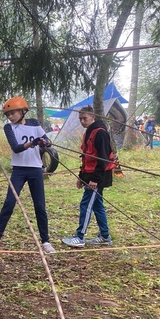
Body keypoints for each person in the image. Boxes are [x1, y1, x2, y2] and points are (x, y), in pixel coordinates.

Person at [0, 97, 55, 254]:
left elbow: (48, 140)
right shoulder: (9, 128)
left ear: (23, 111)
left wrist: (44, 142)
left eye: (13, 113)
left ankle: (46, 242)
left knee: (40, 207)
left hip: (36, 169)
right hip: (19, 170)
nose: (10, 116)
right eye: (8, 114)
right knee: (9, 203)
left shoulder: (34, 124)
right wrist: (32, 143)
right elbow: (16, 148)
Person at [62, 105, 115, 248]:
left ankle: (79, 237)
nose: (82, 121)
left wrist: (94, 180)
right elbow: (86, 157)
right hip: (90, 175)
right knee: (98, 206)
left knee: (86, 204)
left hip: (99, 176)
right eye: (80, 119)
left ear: (93, 117)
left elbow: (103, 158)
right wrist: (81, 177)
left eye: (84, 118)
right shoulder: (88, 133)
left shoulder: (100, 133)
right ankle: (105, 236)